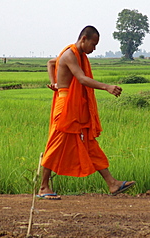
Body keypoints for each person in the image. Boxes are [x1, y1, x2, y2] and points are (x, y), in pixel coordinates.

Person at [37, 26, 135, 200]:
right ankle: (44, 187)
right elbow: (81, 78)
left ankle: (112, 183)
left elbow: (52, 63)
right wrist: (107, 87)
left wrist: (55, 83)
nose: (94, 48)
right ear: (84, 39)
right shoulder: (70, 55)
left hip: (74, 105)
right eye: (93, 44)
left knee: (89, 143)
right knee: (56, 144)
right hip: (66, 106)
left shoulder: (76, 55)